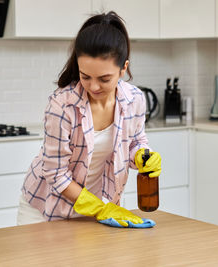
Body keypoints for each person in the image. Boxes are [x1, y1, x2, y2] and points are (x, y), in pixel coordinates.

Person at [17, 11, 162, 227]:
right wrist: (99, 209)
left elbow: (135, 143)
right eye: (85, 77)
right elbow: (55, 173)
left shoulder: (135, 99)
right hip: (46, 210)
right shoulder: (62, 104)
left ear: (123, 68)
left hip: (95, 209)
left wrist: (141, 156)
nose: (93, 87)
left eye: (104, 79)